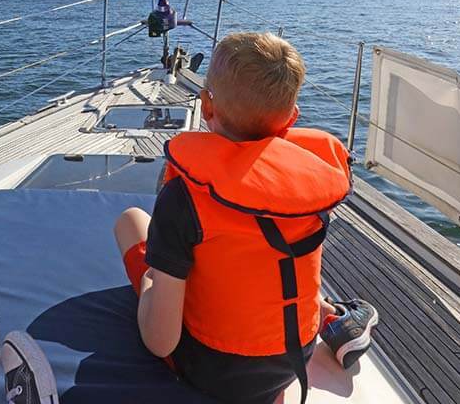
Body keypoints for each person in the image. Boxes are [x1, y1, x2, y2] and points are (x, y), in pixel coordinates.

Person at [114, 32, 379, 404]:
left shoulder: (184, 198)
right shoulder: (312, 185)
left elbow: (162, 342)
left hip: (210, 369)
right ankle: (332, 318)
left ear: (206, 106)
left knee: (130, 220)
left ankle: (332, 318)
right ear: (291, 117)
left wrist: (150, 286)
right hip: (292, 358)